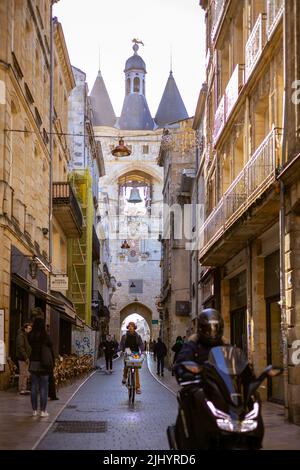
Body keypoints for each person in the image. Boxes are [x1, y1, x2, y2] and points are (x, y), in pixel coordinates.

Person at [28, 317, 54, 417]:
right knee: (44, 388)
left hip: (33, 363)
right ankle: (43, 411)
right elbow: (51, 344)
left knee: (34, 387)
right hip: (44, 364)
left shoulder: (31, 335)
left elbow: (29, 344)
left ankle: (34, 410)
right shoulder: (45, 336)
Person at [120, 322, 144, 394]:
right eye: (129, 326)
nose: (131, 327)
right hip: (127, 353)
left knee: (136, 369)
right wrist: (120, 350)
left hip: (135, 354)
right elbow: (121, 344)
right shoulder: (124, 336)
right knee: (126, 366)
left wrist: (142, 351)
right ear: (128, 327)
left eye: (132, 326)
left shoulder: (137, 336)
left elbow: (141, 344)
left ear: (134, 328)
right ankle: (125, 377)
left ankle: (137, 387)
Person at [16, 322, 32, 395]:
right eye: (29, 328)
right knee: (23, 373)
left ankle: (24, 388)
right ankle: (21, 389)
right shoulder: (21, 336)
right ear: (25, 328)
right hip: (22, 358)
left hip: (25, 357)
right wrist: (25, 357)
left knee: (25, 373)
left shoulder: (25, 335)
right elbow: (21, 347)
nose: (30, 330)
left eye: (30, 328)